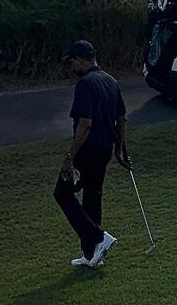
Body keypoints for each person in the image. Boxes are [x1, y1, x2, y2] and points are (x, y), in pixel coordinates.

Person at [54, 40, 132, 268]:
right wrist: (119, 150)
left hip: (87, 152)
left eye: (71, 62)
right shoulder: (110, 80)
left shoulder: (85, 84)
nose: (71, 67)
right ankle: (91, 255)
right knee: (92, 197)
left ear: (80, 60)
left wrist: (69, 156)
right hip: (105, 150)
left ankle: (98, 238)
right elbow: (121, 119)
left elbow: (84, 124)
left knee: (62, 193)